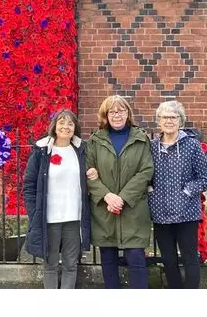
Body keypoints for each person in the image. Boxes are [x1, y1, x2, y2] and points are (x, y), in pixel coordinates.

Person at [85, 95, 154, 289]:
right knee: (108, 259)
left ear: (128, 113)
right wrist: (107, 196)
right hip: (104, 209)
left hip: (133, 208)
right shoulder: (95, 141)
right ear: (105, 115)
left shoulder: (141, 139)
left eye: (121, 111)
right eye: (112, 111)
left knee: (136, 258)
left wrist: (122, 198)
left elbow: (146, 171)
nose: (117, 115)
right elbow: (88, 172)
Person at [23, 109, 92, 289]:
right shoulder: (42, 151)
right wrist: (35, 212)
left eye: (70, 123)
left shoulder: (82, 150)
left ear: (75, 127)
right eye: (62, 122)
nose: (66, 127)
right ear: (54, 126)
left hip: (73, 218)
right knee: (50, 265)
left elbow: (90, 177)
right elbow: (29, 185)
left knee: (71, 264)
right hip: (50, 218)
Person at [148, 100, 207, 289]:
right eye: (165, 117)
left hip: (186, 214)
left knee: (190, 258)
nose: (169, 121)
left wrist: (185, 192)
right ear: (159, 120)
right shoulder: (151, 147)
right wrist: (150, 190)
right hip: (160, 214)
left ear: (180, 121)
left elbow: (204, 179)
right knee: (168, 259)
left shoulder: (192, 146)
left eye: (173, 117)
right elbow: (144, 174)